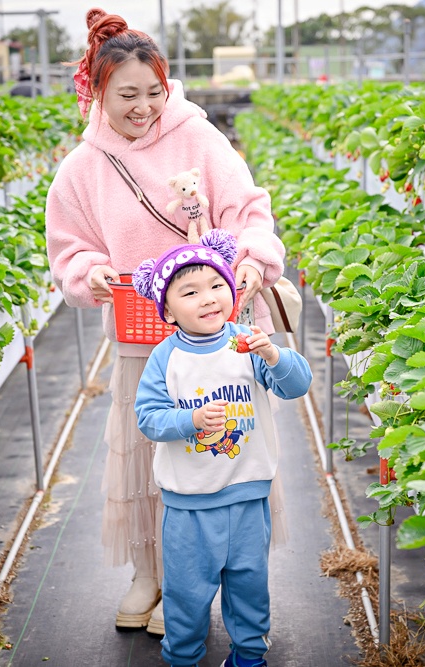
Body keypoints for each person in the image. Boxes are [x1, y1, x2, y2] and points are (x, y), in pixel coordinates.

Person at [45, 8, 287, 637]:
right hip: (141, 337)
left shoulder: (199, 138)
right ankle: (148, 574)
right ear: (96, 92)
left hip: (219, 333)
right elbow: (68, 248)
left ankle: (201, 581)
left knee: (219, 450)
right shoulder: (82, 168)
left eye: (154, 91)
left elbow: (249, 210)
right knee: (150, 450)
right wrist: (93, 273)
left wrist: (254, 264)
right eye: (127, 95)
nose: (144, 107)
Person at [131, 229, 312, 667]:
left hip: (248, 496)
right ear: (168, 312)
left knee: (250, 587)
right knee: (186, 594)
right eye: (190, 291)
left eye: (216, 286)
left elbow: (297, 385)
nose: (208, 297)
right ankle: (184, 656)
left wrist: (274, 355)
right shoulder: (166, 358)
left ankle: (249, 656)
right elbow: (148, 417)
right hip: (189, 505)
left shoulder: (246, 343)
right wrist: (189, 421)